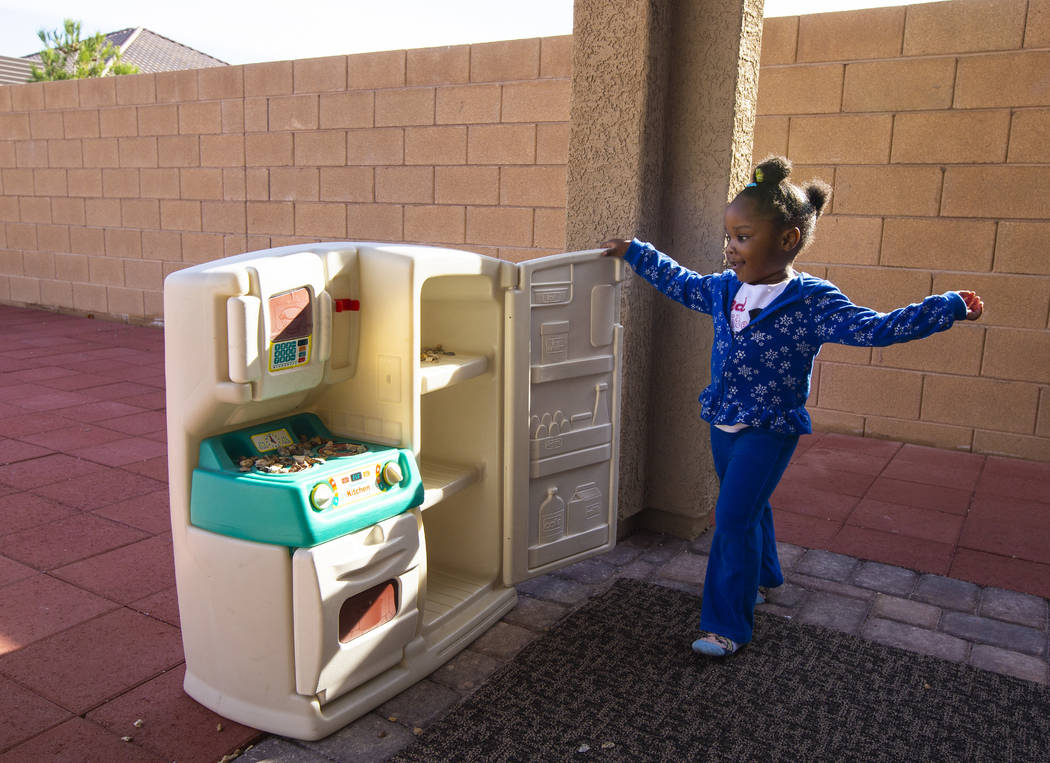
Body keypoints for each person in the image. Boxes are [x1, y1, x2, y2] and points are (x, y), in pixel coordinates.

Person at [601, 155, 984, 657]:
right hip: (723, 421)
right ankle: (764, 577)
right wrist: (635, 252)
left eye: (742, 237)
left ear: (786, 240)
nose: (730, 248)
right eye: (729, 236)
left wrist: (945, 307)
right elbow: (682, 282)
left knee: (732, 518)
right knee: (749, 508)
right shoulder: (723, 290)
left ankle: (725, 626)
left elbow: (875, 328)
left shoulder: (813, 302)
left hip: (770, 428)